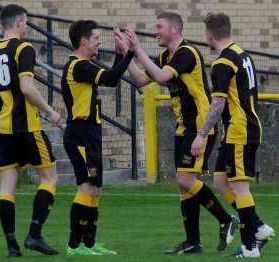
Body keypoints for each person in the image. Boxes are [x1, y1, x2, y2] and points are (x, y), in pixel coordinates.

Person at [115, 11, 239, 254]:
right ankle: (193, 242)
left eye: (159, 26)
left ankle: (227, 220)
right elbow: (141, 80)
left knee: (185, 180)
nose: (155, 30)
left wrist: (137, 49)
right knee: (184, 186)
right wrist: (125, 55)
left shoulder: (186, 52)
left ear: (174, 29)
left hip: (201, 127)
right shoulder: (165, 55)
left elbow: (161, 78)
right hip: (184, 128)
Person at [191, 12, 275, 258]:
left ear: (209, 35)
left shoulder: (222, 62)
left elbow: (217, 104)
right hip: (240, 128)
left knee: (240, 188)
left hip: (240, 130)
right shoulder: (242, 53)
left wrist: (201, 136)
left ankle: (250, 248)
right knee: (220, 181)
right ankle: (258, 227)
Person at [0, 4, 61, 258]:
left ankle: (11, 246)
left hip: (0, 127)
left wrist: (5, 108)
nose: (26, 27)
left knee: (7, 187)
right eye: (26, 22)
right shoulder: (24, 48)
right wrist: (50, 111)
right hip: (26, 126)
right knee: (49, 179)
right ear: (19, 23)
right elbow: (27, 87)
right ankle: (35, 234)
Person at [61, 19, 134, 256]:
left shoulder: (86, 65)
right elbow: (112, 79)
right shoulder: (78, 65)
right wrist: (129, 54)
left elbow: (109, 78)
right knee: (86, 188)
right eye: (95, 38)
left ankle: (89, 243)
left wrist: (119, 54)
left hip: (90, 132)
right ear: (83, 41)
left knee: (96, 189)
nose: (98, 42)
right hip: (79, 132)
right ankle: (74, 245)